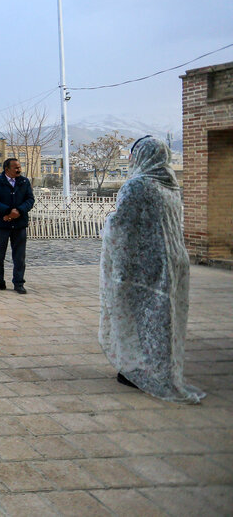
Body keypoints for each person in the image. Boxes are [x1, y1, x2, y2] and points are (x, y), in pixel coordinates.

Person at [100, 136, 205, 404]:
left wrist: (109, 220)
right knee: (164, 318)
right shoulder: (170, 185)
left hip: (144, 267)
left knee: (143, 320)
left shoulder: (138, 185)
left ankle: (142, 372)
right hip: (173, 260)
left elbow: (122, 224)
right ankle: (161, 370)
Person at [0, 158, 34, 294]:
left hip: (19, 224)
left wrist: (18, 211)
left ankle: (19, 282)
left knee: (19, 256)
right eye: (15, 167)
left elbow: (30, 200)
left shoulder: (24, 182)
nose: (18, 169)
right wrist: (7, 211)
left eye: (19, 167)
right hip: (1, 224)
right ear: (7, 169)